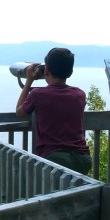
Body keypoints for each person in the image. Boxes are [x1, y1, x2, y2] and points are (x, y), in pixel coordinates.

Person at [15, 47, 93, 175]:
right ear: (70, 72)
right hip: (82, 158)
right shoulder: (79, 94)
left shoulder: (37, 94)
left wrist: (29, 80)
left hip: (55, 159)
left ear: (46, 70)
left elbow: (20, 112)